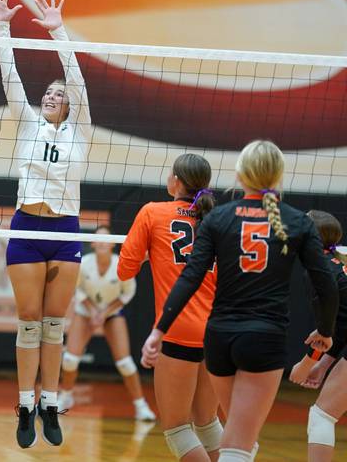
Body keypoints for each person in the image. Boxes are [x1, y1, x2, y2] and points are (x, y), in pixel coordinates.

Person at [142, 140, 339, 462]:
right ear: (278, 176)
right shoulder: (296, 221)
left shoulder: (218, 218)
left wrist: (158, 330)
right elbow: (326, 284)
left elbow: (190, 278)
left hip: (218, 338)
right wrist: (326, 333)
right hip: (264, 338)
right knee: (239, 443)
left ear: (240, 174)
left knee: (233, 434)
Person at [0, 0, 92, 448]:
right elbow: (10, 78)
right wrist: (2, 25)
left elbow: (78, 80)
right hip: (27, 227)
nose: (51, 95)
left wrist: (57, 32)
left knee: (54, 323)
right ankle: (25, 403)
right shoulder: (27, 123)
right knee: (29, 321)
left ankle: (50, 402)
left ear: (68, 105)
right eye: (47, 92)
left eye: (57, 93)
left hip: (65, 229)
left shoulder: (81, 131)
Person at [118, 153, 221, 461]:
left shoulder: (152, 213)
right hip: (217, 329)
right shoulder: (218, 217)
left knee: (177, 428)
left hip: (179, 329)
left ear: (176, 180)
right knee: (207, 421)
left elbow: (124, 271)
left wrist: (150, 255)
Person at [58, 225, 155, 422]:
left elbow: (127, 293)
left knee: (125, 363)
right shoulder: (84, 263)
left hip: (112, 312)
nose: (102, 242)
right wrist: (93, 311)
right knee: (69, 359)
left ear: (113, 244)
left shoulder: (121, 264)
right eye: (98, 238)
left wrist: (104, 312)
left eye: (106, 238)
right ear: (93, 243)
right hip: (86, 310)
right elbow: (77, 290)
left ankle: (140, 405)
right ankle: (65, 397)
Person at [287, 210, 347, 462]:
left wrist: (307, 364)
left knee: (322, 415)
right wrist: (323, 365)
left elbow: (325, 330)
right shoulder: (338, 262)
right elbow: (341, 324)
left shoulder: (318, 272)